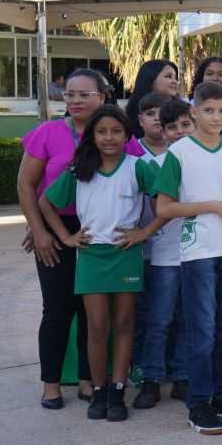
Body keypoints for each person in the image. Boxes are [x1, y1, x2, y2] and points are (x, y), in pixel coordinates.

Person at [152, 80, 222, 435]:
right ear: (194, 112)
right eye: (208, 111)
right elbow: (165, 206)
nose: (216, 117)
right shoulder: (180, 152)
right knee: (201, 331)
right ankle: (199, 403)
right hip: (199, 250)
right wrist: (214, 205)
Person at [37, 105, 156, 421]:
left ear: (127, 135)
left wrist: (144, 232)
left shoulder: (138, 167)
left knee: (124, 324)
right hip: (91, 256)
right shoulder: (79, 169)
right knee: (97, 326)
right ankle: (99, 390)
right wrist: (66, 237)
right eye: (101, 131)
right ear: (91, 136)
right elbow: (45, 202)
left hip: (125, 254)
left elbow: (166, 202)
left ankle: (118, 389)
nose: (109, 138)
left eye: (116, 131)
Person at [19, 68, 111, 409]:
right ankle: (51, 383)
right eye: (69, 93)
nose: (74, 100)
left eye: (84, 94)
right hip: (55, 227)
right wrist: (39, 229)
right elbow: (26, 186)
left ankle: (88, 378)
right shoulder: (47, 132)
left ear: (102, 97)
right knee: (56, 309)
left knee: (93, 311)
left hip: (99, 228)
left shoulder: (114, 132)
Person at [132, 94, 187, 410]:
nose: (179, 131)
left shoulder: (201, 159)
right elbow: (161, 209)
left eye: (184, 125)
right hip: (165, 254)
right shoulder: (153, 164)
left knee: (186, 319)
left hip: (196, 252)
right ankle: (152, 379)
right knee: (160, 319)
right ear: (163, 133)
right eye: (171, 127)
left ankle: (181, 377)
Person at [125, 59, 180, 137]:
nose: (174, 81)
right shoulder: (127, 118)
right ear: (150, 79)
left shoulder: (182, 111)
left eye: (175, 78)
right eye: (168, 76)